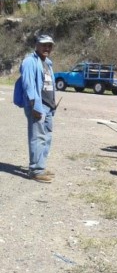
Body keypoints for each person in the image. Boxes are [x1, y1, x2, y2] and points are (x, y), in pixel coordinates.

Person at [20, 34, 57, 183]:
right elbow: (28, 84)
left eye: (49, 45)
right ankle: (35, 170)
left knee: (46, 137)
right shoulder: (30, 61)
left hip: (48, 106)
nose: (46, 48)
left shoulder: (47, 63)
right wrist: (34, 105)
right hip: (37, 106)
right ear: (36, 45)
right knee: (37, 138)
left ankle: (40, 166)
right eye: (44, 45)